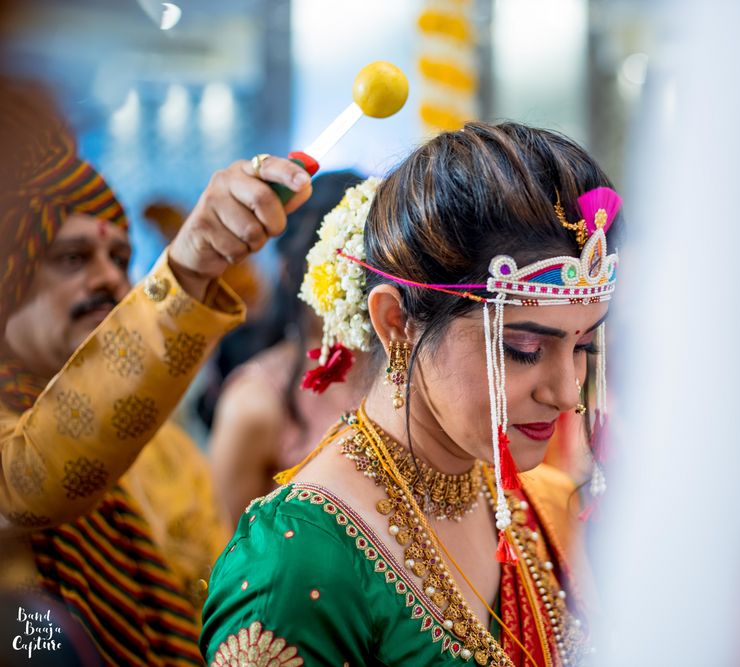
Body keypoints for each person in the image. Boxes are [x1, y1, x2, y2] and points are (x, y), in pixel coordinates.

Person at [200, 122, 619, 666]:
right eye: (521, 347)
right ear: (397, 322)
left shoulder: (533, 500)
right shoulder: (294, 562)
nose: (567, 393)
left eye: (584, 345)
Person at [0, 79, 313, 665]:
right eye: (72, 258)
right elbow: (32, 479)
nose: (109, 281)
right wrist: (190, 269)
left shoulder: (162, 450)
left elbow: (223, 604)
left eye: (120, 259)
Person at [208, 170, 373, 524]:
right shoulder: (255, 402)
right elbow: (228, 553)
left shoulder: (401, 370)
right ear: (291, 273)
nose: (359, 285)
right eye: (341, 268)